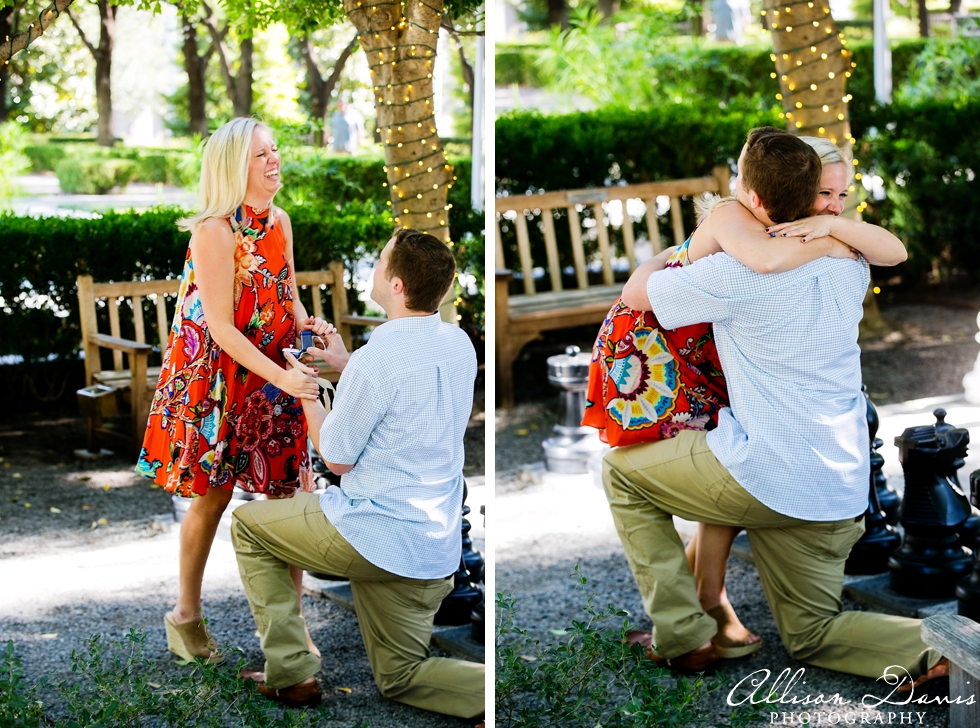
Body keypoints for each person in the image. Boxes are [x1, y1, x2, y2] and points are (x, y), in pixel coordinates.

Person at [602, 127, 944, 682]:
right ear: (815, 197)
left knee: (621, 475)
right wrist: (832, 228)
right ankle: (944, 650)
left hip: (768, 476)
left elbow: (637, 295)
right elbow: (878, 248)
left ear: (757, 198)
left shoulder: (733, 275)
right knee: (814, 635)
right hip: (836, 490)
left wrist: (672, 255)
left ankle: (684, 634)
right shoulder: (850, 256)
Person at [229, 229, 485, 718]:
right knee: (402, 678)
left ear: (396, 287)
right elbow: (407, 398)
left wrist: (307, 393)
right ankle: (494, 685)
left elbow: (338, 458)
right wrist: (346, 364)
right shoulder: (458, 344)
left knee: (249, 528)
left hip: (375, 536)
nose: (373, 267)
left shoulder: (377, 360)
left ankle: (291, 671)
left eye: (379, 262)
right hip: (432, 552)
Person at [136, 117, 327, 664]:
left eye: (275, 149)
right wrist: (281, 375)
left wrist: (313, 327)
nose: (274, 160)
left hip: (274, 376)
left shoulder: (280, 222)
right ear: (232, 166)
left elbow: (287, 298)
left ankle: (292, 633)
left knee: (287, 497)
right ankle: (186, 615)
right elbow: (221, 328)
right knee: (214, 497)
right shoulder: (214, 232)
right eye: (260, 154)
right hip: (221, 380)